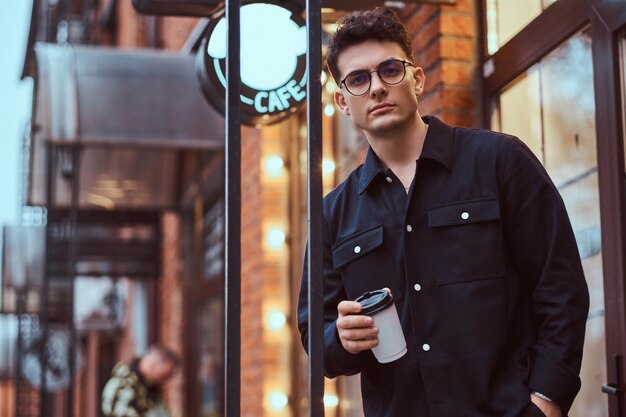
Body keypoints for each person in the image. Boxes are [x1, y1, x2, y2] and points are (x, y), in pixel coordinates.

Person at [297, 7, 589, 417]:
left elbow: (560, 289)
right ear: (343, 102)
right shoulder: (332, 215)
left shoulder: (500, 162)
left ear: (417, 78)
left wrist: (547, 401)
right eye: (359, 79)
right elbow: (317, 337)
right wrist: (340, 339)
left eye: (389, 70)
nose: (377, 87)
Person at [101, 345, 180, 417]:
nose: (164, 380)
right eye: (164, 375)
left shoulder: (151, 389)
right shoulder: (122, 387)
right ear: (153, 365)